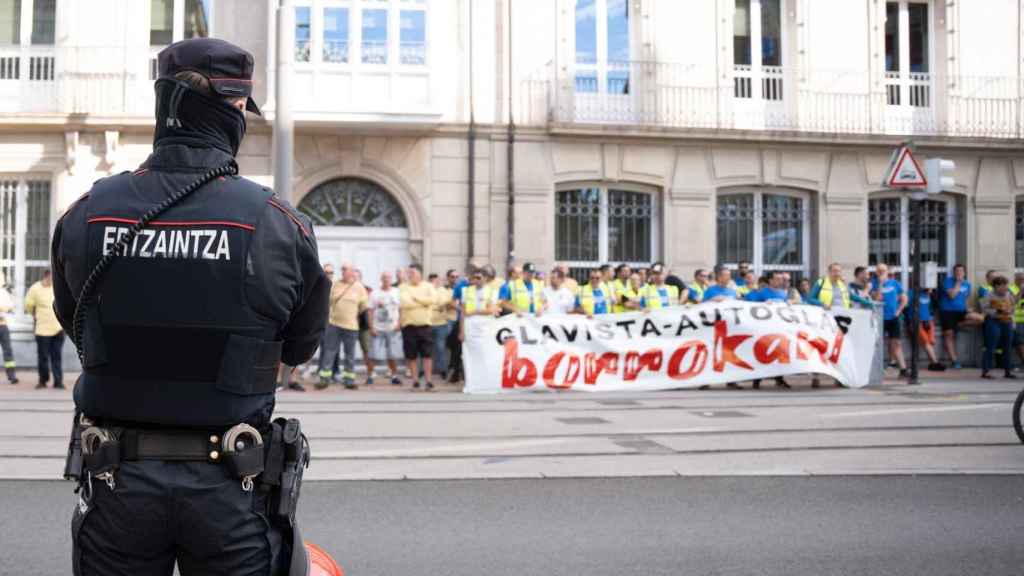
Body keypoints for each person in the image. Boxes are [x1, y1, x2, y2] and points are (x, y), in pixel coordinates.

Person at [51, 38, 329, 575]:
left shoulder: (87, 213)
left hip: (117, 485)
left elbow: (76, 324)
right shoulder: (275, 221)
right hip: (231, 486)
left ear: (164, 104)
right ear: (232, 110)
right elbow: (300, 346)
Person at [807, 263, 873, 387]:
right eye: (834, 271)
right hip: (824, 321)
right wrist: (821, 304)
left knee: (840, 349)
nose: (837, 273)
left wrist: (867, 303)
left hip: (841, 322)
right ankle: (816, 377)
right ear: (829, 272)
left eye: (839, 271)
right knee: (821, 348)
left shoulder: (843, 285)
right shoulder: (821, 283)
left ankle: (839, 378)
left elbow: (852, 296)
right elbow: (810, 298)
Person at [318, 264, 368, 390]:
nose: (343, 271)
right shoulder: (335, 284)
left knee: (350, 354)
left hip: (351, 326)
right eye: (342, 269)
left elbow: (364, 306)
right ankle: (324, 379)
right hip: (334, 324)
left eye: (345, 269)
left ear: (352, 272)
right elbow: (326, 301)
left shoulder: (359, 287)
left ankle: (349, 380)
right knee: (329, 352)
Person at [745, 271, 792, 389]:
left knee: (780, 354)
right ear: (770, 280)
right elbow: (748, 302)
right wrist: (762, 304)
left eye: (781, 279)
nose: (780, 281)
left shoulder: (783, 293)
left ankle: (779, 379)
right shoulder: (762, 292)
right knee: (763, 355)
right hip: (764, 330)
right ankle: (757, 380)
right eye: (777, 279)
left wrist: (790, 303)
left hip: (780, 329)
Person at [699, 265, 741, 389]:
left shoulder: (733, 292)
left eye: (729, 275)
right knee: (710, 353)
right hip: (713, 328)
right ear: (718, 277)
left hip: (729, 328)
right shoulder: (711, 291)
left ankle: (731, 380)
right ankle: (705, 381)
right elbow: (701, 308)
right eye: (725, 275)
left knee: (730, 353)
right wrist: (712, 300)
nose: (728, 277)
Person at [25, 270, 64, 390]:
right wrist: (36, 315)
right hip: (42, 329)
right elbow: (29, 306)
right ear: (46, 277)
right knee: (43, 357)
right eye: (51, 278)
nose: (53, 280)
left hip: (58, 328)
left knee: (56, 357)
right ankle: (43, 380)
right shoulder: (35, 289)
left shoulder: (57, 288)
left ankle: (58, 381)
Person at [400, 264, 437, 390]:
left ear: (420, 274)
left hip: (425, 326)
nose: (410, 276)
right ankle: (415, 380)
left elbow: (432, 300)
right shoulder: (403, 287)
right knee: (411, 355)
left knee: (427, 354)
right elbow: (405, 303)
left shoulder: (428, 286)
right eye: (409, 273)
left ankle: (428, 380)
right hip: (409, 325)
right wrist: (423, 303)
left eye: (413, 273)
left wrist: (415, 298)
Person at [871, 263, 909, 378]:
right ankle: (877, 369)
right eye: (879, 271)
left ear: (887, 271)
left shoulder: (895, 284)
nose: (881, 272)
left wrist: (898, 311)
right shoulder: (873, 284)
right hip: (879, 317)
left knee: (896, 343)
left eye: (883, 270)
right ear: (876, 272)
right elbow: (876, 299)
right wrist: (880, 285)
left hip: (893, 318)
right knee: (877, 343)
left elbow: (904, 300)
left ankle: (903, 369)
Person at [367, 271, 403, 386]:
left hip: (392, 328)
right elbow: (370, 311)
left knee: (392, 354)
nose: (387, 280)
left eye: (388, 278)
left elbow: (401, 309)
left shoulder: (397, 292)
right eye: (384, 278)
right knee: (373, 354)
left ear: (391, 279)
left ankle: (394, 376)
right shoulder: (375, 293)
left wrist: (399, 323)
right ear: (381, 279)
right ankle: (370, 375)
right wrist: (371, 327)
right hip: (378, 327)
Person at [979, 276, 1016, 379]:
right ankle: (986, 371)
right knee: (991, 346)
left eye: (1005, 285)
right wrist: (996, 312)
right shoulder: (989, 295)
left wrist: (1010, 313)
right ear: (995, 287)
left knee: (1007, 347)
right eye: (1002, 286)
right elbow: (984, 308)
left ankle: (1008, 371)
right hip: (993, 322)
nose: (1004, 288)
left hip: (1007, 321)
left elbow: (1013, 306)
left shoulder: (1009, 295)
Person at [939, 264, 971, 369]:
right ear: (953, 272)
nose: (959, 273)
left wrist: (968, 309)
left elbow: (966, 299)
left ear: (964, 272)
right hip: (948, 312)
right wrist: (958, 282)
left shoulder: (967, 284)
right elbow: (952, 295)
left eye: (961, 271)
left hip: (961, 311)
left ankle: (958, 324)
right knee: (949, 335)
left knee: (981, 318)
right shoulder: (948, 281)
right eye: (957, 271)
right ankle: (954, 360)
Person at [910, 286, 946, 371]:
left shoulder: (929, 294)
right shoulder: (912, 293)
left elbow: (931, 308)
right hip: (917, 321)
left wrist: (931, 319)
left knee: (931, 341)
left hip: (928, 320)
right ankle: (935, 362)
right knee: (926, 341)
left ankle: (932, 363)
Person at [459, 267, 499, 342]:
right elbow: (463, 313)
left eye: (478, 278)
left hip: (485, 327)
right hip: (470, 327)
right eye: (474, 277)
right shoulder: (466, 291)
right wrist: (461, 331)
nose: (476, 280)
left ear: (485, 278)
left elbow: (490, 310)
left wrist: (474, 312)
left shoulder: (492, 291)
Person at [429, 273, 454, 379]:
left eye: (436, 281)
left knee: (440, 347)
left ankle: (442, 370)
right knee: (427, 348)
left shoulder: (444, 291)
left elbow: (448, 303)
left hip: (441, 323)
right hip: (427, 323)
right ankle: (426, 370)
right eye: (432, 281)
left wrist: (442, 305)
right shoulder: (426, 290)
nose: (435, 283)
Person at [0, 272, 18, 384]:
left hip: (3, 326)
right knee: (8, 351)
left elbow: (11, 308)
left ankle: (11, 376)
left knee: (8, 352)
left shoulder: (4, 293)